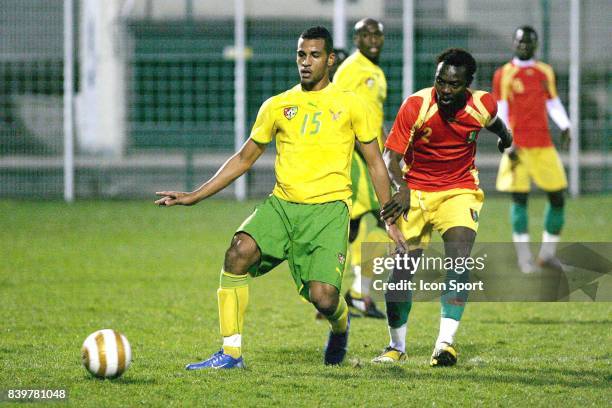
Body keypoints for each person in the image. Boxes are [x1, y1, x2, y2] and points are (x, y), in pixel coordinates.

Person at [155, 26, 405, 369]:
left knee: (325, 298)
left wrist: (389, 219)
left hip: (328, 212)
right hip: (282, 206)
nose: (306, 62)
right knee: (238, 251)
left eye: (315, 55)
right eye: (301, 54)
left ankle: (341, 324)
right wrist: (195, 195)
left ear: (330, 60)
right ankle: (230, 353)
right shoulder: (277, 105)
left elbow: (376, 163)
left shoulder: (351, 105)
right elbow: (244, 158)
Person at [372, 48, 512, 366]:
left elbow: (494, 122)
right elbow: (389, 158)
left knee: (459, 260)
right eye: (440, 82)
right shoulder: (416, 106)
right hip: (416, 192)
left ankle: (445, 344)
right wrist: (403, 187)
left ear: (468, 85)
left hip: (459, 191)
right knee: (399, 276)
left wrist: (505, 136)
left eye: (454, 84)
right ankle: (396, 346)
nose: (445, 90)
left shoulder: (482, 104)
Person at [493, 26, 571, 273]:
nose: (524, 45)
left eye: (529, 41)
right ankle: (524, 259)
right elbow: (500, 109)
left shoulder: (544, 72)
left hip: (543, 144)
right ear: (514, 43)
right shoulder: (503, 74)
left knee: (558, 196)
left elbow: (553, 102)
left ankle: (547, 255)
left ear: (536, 44)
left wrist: (565, 125)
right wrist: (507, 143)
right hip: (518, 147)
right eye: (520, 41)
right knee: (520, 199)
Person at [332, 18, 388, 319]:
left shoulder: (375, 71)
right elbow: (335, 110)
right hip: (355, 158)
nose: (373, 39)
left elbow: (373, 118)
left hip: (370, 157)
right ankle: (354, 292)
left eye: (377, 34)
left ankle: (351, 293)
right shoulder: (352, 69)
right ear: (356, 39)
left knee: (351, 226)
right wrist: (367, 153)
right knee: (385, 218)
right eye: (366, 35)